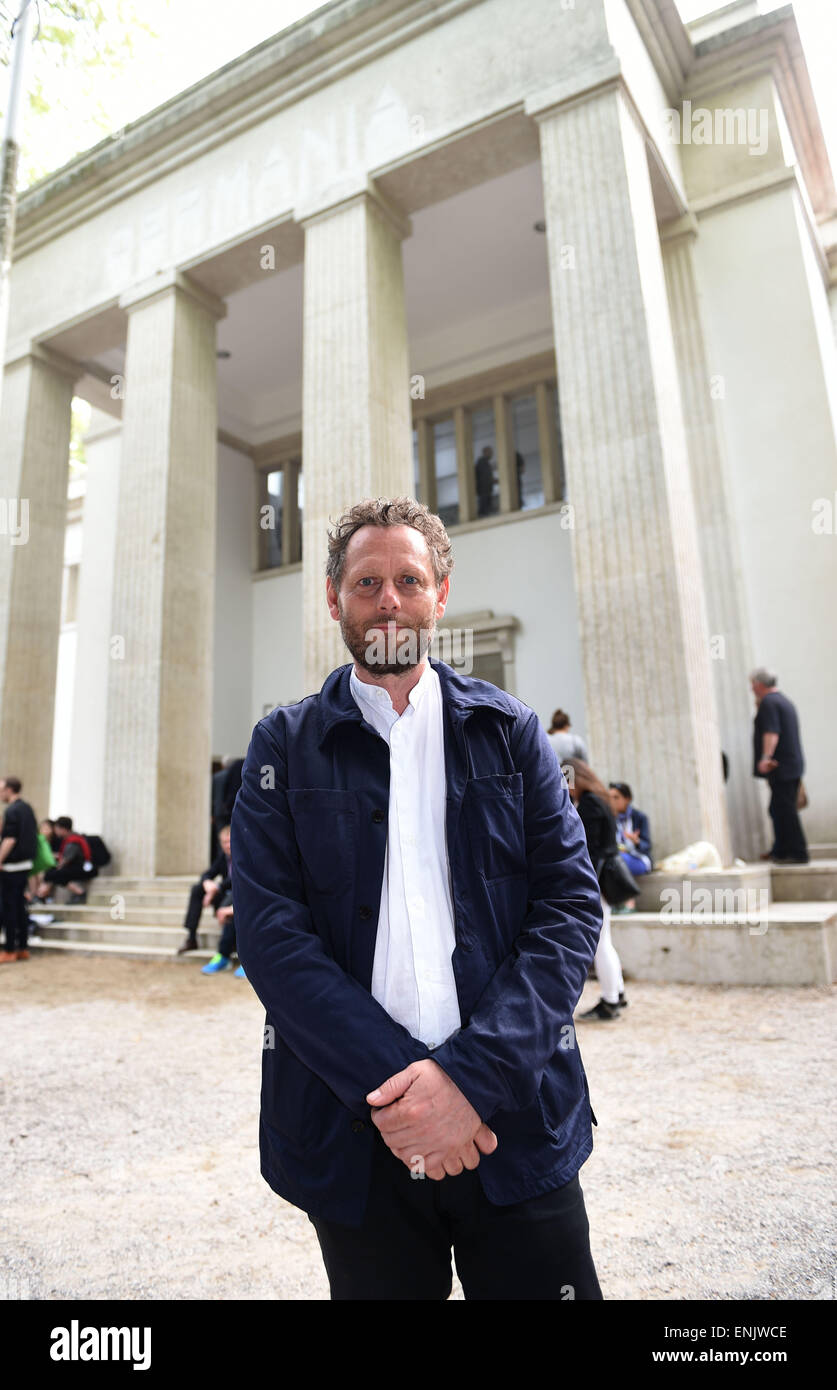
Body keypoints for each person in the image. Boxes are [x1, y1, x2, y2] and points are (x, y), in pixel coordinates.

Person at [231, 495, 604, 1301]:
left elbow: (569, 909)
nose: (388, 600)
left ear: (439, 590)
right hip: (357, 1134)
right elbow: (271, 937)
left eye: (408, 579)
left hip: (514, 1118)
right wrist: (409, 1093)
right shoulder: (282, 748)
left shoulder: (511, 732)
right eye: (366, 583)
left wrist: (468, 1082)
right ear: (334, 599)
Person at [565, 759, 628, 1022]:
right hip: (606, 879)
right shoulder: (601, 799)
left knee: (601, 943)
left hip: (597, 880)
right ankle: (618, 993)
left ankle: (610, 1000)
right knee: (606, 941)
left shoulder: (590, 805)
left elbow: (585, 849)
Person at [750, 668, 808, 864]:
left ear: (758, 684)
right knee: (778, 808)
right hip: (790, 765)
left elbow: (771, 732)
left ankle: (797, 852)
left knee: (784, 809)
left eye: (752, 684)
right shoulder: (783, 701)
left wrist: (765, 757)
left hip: (780, 766)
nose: (751, 689)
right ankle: (781, 850)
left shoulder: (769, 703)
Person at [0, 776, 40, 964]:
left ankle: (9, 949)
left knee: (9, 908)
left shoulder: (13, 810)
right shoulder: (27, 809)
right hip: (26, 864)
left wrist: (0, 859)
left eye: (1, 789)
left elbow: (10, 839)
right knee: (20, 907)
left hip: (12, 866)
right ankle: (22, 947)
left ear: (9, 789)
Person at [177, 823, 231, 955]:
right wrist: (207, 883)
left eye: (230, 841)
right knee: (197, 889)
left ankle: (229, 945)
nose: (227, 845)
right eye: (224, 842)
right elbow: (207, 873)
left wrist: (216, 888)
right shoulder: (223, 857)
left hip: (237, 896)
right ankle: (191, 937)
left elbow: (235, 880)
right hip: (224, 895)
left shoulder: (242, 855)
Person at [608, 781, 652, 911]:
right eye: (609, 797)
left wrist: (636, 841)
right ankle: (614, 903)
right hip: (618, 856)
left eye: (616, 797)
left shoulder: (639, 817)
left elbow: (647, 846)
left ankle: (629, 902)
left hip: (639, 858)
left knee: (620, 860)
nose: (612, 801)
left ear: (627, 799)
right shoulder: (610, 818)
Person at [34, 817, 96, 902]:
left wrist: (58, 866)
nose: (55, 831)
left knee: (54, 874)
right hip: (79, 866)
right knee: (53, 874)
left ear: (62, 829)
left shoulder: (73, 841)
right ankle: (40, 895)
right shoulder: (70, 838)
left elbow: (67, 859)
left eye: (56, 829)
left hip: (83, 868)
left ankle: (80, 893)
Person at [474, 445, 495, 517]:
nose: (491, 454)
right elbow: (485, 477)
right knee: (484, 506)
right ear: (485, 452)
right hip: (484, 489)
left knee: (487, 505)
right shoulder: (482, 462)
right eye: (490, 452)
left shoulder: (485, 462)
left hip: (486, 489)